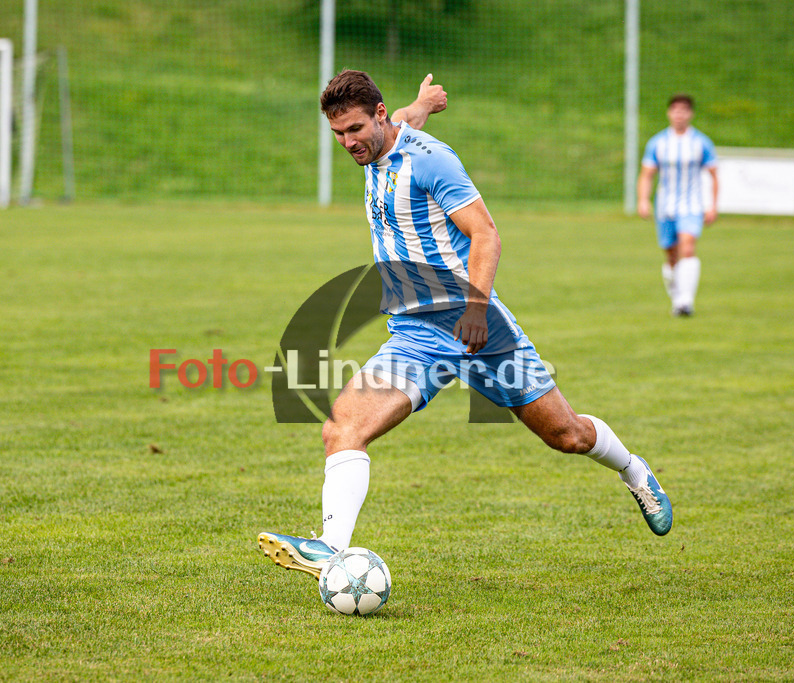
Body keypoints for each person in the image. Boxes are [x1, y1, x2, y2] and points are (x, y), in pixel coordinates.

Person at [259, 70, 672, 580]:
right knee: (342, 427)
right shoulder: (381, 137)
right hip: (415, 333)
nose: (348, 143)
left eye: (355, 130)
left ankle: (634, 470)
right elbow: (406, 118)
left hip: (477, 325)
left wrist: (476, 310)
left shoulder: (434, 161)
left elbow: (486, 235)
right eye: (338, 134)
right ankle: (330, 547)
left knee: (566, 435)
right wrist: (424, 101)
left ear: (379, 116)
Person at [637, 94, 719, 317]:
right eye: (675, 110)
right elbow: (646, 174)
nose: (679, 114)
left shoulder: (701, 142)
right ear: (669, 113)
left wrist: (712, 205)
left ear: (690, 114)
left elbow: (713, 175)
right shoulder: (658, 143)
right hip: (665, 206)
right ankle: (677, 298)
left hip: (692, 205)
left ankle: (686, 301)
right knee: (671, 255)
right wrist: (643, 200)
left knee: (688, 245)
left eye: (684, 110)